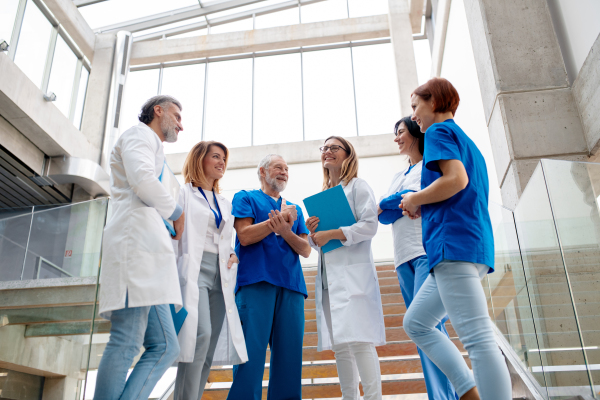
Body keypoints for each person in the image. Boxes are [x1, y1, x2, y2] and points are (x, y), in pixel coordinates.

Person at [400, 78, 512, 400]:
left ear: (433, 102)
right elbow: (460, 187)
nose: (413, 116)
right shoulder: (465, 140)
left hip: (453, 247)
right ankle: (468, 392)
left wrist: (415, 199)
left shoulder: (437, 131)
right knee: (417, 323)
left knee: (477, 338)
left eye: (415, 106)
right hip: (468, 244)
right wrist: (427, 202)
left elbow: (456, 180)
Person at [95, 95, 185, 400]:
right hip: (134, 247)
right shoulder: (138, 135)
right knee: (126, 340)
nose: (180, 125)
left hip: (148, 256)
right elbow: (142, 179)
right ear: (157, 111)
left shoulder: (150, 143)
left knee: (166, 346)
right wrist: (176, 212)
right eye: (177, 116)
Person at [379, 117, 458, 400]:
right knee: (421, 332)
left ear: (414, 133)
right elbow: (385, 214)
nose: (397, 137)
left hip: (425, 252)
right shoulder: (397, 176)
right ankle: (440, 394)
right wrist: (402, 200)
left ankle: (449, 395)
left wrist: (405, 200)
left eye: (400, 132)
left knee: (430, 326)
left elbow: (416, 198)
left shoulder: (430, 165)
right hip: (402, 260)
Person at [305, 136, 385, 400]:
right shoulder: (326, 195)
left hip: (353, 277)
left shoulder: (358, 187)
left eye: (333, 147)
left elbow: (370, 225)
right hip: (330, 280)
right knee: (341, 346)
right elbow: (321, 245)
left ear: (348, 155)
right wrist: (314, 233)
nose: (327, 151)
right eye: (324, 148)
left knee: (361, 341)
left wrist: (332, 232)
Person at [226, 154, 312, 400]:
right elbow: (244, 235)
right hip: (256, 283)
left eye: (287, 168)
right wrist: (278, 221)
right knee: (250, 356)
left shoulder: (294, 209)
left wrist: (285, 229)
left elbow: (305, 249)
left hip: (292, 287)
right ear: (262, 172)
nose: (284, 171)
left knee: (289, 358)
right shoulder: (246, 197)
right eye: (278, 167)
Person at [172, 141, 248, 400]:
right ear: (199, 160)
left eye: (224, 159)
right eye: (216, 157)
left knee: (208, 347)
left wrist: (232, 254)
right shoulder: (182, 194)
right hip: (194, 271)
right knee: (198, 336)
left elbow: (224, 238)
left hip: (221, 275)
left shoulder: (224, 202)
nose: (221, 163)